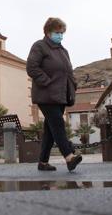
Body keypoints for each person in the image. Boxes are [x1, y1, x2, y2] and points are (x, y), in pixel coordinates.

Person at [26, 17, 82, 172]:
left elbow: (68, 73)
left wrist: (73, 86)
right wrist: (47, 82)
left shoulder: (63, 51)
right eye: (57, 32)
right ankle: (69, 157)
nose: (60, 35)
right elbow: (32, 67)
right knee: (57, 125)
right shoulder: (40, 46)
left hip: (61, 96)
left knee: (50, 131)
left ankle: (43, 162)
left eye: (62, 32)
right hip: (46, 95)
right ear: (48, 32)